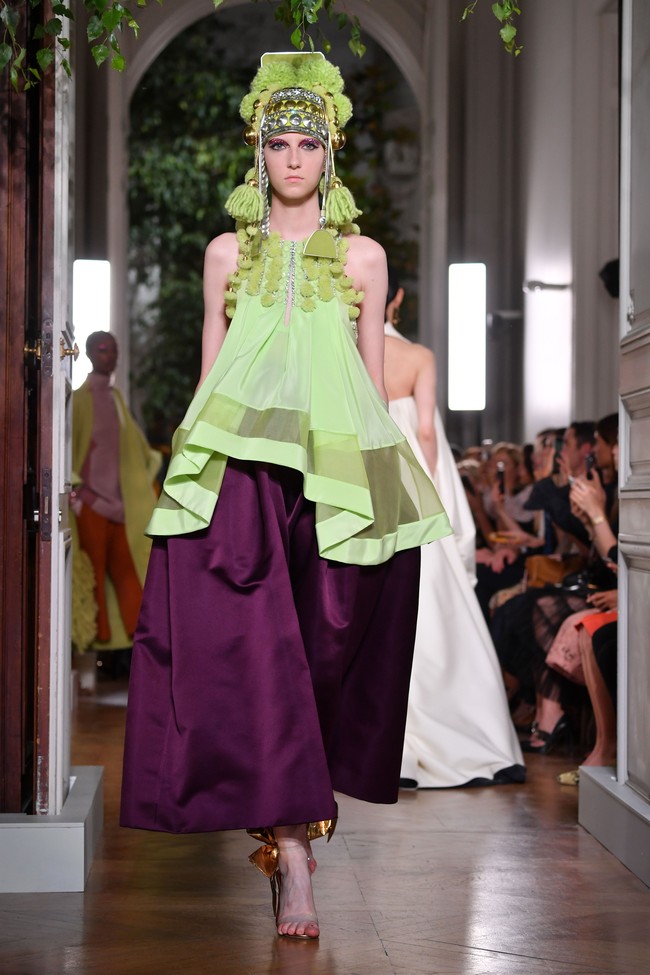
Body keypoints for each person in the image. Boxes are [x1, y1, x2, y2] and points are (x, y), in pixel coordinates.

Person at [120, 52, 451, 941]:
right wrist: (186, 471)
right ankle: (296, 857)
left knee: (327, 645)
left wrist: (393, 488)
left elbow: (374, 381)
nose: (294, 157)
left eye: (309, 141)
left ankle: (295, 826)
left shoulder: (366, 257)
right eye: (279, 141)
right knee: (254, 652)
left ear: (329, 152)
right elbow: (208, 371)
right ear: (257, 151)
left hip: (335, 470)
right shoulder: (227, 252)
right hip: (242, 471)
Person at [383, 284, 525, 788]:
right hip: (415, 491)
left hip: (369, 492)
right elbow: (426, 433)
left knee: (381, 614)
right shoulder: (417, 356)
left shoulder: (348, 358)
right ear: (396, 298)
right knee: (437, 609)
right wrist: (433, 493)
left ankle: (388, 750)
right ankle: (474, 740)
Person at [71, 332, 161, 669]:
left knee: (129, 574)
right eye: (102, 350)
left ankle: (143, 647)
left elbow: (135, 451)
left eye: (113, 350)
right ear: (92, 354)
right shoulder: (80, 401)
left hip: (121, 507)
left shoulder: (116, 399)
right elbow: (74, 447)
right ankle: (90, 648)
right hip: (92, 505)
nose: (109, 356)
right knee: (91, 576)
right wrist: (79, 496)